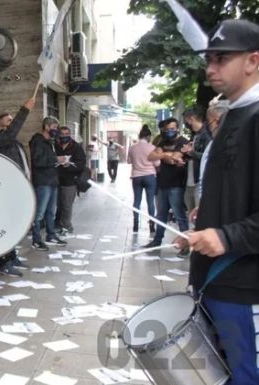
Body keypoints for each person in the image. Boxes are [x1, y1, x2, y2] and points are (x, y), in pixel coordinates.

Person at [177, 19, 259, 385]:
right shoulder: (233, 114)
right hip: (214, 278)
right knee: (218, 372)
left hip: (241, 283)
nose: (210, 68)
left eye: (222, 58)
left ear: (253, 61)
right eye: (208, 59)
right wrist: (200, 227)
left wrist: (224, 237)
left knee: (244, 374)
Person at [0, 97, 35, 276]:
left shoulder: (10, 140)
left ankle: (12, 257)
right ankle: (4, 264)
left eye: (12, 120)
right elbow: (10, 133)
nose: (12, 122)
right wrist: (24, 110)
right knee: (6, 226)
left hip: (17, 188)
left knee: (14, 226)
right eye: (9, 120)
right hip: (5, 191)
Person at [144, 118, 189, 248]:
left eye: (172, 129)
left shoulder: (183, 142)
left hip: (176, 184)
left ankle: (184, 245)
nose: (170, 131)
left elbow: (175, 158)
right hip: (162, 183)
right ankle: (157, 240)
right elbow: (150, 157)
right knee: (161, 215)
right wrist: (165, 155)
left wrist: (162, 154)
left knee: (180, 215)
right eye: (167, 129)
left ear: (178, 128)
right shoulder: (163, 141)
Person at [29, 116, 67, 250]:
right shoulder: (37, 141)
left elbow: (50, 160)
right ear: (46, 126)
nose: (56, 130)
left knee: (51, 211)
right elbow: (38, 160)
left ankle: (51, 235)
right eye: (54, 127)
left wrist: (60, 161)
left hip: (52, 180)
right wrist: (56, 159)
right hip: (43, 181)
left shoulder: (50, 142)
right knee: (39, 212)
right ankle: (36, 239)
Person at [54, 126, 86, 235]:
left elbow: (81, 164)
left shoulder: (76, 147)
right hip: (55, 180)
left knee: (67, 205)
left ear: (70, 134)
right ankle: (57, 224)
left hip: (70, 181)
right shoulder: (54, 145)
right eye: (62, 134)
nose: (64, 136)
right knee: (58, 205)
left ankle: (67, 226)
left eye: (66, 134)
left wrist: (70, 166)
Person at [127, 126, 159, 233]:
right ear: (149, 136)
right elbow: (157, 163)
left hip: (136, 176)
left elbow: (128, 161)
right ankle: (151, 225)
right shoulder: (152, 147)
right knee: (150, 201)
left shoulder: (132, 147)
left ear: (140, 136)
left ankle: (135, 225)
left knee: (137, 201)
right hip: (150, 176)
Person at [181, 107, 212, 212]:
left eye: (186, 120)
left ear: (192, 118)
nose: (185, 123)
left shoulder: (207, 134)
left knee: (199, 215)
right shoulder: (196, 135)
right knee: (191, 214)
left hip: (199, 180)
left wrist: (190, 152)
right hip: (190, 181)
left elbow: (207, 156)